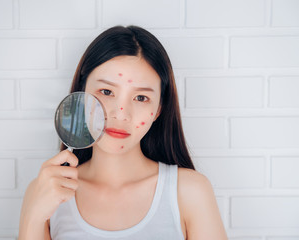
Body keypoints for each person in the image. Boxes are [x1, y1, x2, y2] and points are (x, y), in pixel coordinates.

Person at [18, 25, 228, 240]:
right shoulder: (47, 190)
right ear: (81, 96)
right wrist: (33, 218)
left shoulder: (189, 192)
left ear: (158, 110)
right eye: (107, 92)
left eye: (141, 98)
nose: (121, 114)